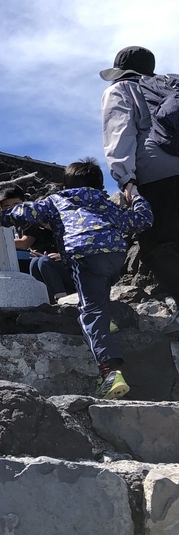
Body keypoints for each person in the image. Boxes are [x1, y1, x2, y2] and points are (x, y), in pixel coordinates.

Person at [0, 158, 152, 399]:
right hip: (115, 255)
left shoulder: (58, 199)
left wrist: (0, 218)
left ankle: (110, 374)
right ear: (97, 183)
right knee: (98, 293)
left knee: (89, 313)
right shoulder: (104, 201)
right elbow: (139, 221)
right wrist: (136, 197)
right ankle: (105, 321)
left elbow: (28, 211)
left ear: (65, 184)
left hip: (83, 253)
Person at [100, 46, 179, 329]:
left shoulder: (121, 89)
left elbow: (119, 133)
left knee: (158, 244)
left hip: (157, 171)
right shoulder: (169, 85)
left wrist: (126, 179)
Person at [0, 183, 74, 303]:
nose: (12, 209)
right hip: (49, 261)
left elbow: (24, 243)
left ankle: (62, 299)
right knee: (36, 262)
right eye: (7, 206)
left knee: (44, 262)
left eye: (16, 205)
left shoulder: (32, 222)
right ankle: (42, 300)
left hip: (73, 270)